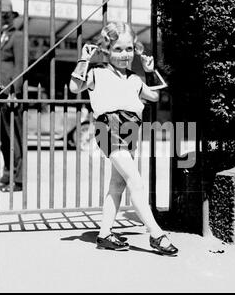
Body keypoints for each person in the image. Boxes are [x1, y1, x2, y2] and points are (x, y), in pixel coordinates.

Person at [69, 22, 178, 256]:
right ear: (107, 50)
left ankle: (104, 233)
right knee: (135, 181)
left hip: (131, 130)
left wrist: (150, 71)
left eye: (129, 49)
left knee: (117, 184)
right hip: (108, 128)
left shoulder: (135, 79)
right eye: (117, 49)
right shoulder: (97, 73)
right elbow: (74, 87)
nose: (124, 54)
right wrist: (83, 59)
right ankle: (157, 235)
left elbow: (158, 93)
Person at [0, 0, 24, 192]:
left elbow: (20, 67)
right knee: (4, 138)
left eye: (1, 15)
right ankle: (6, 177)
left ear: (8, 16)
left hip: (10, 95)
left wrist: (14, 93)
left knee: (15, 138)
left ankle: (18, 181)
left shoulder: (17, 37)